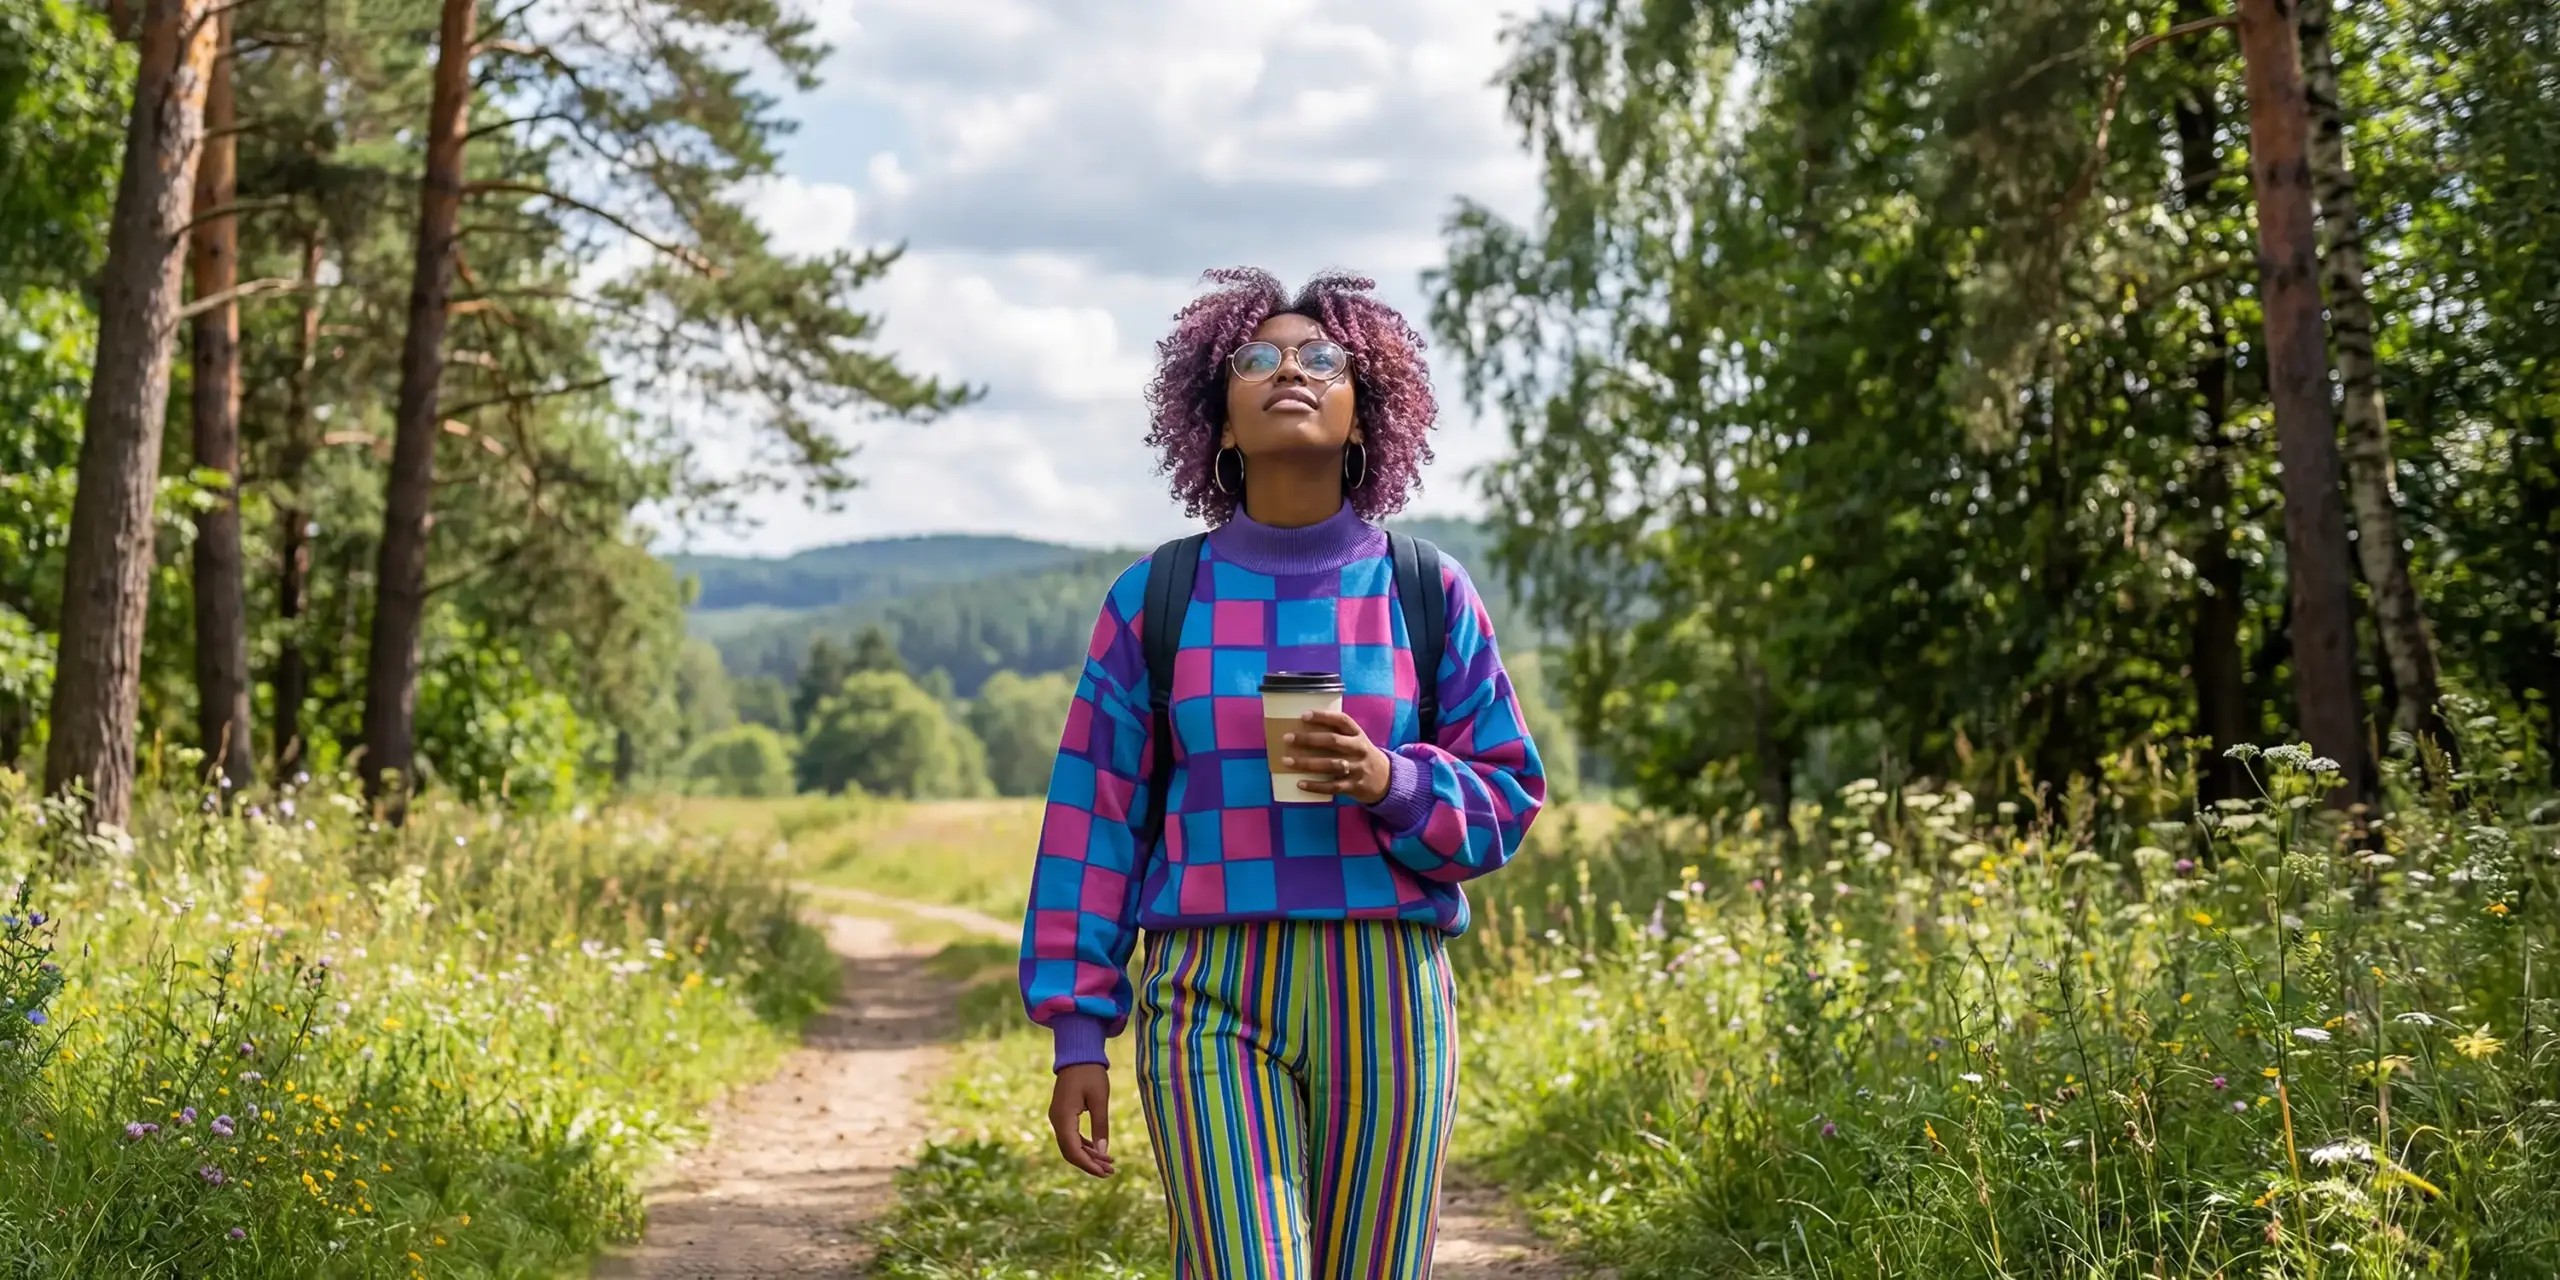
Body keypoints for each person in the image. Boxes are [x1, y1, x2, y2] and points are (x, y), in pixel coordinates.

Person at [1015, 267, 1546, 1277]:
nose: (1289, 368)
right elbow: (1094, 817)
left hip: (1388, 991)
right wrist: (1078, 1027)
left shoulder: (1425, 588)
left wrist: (1390, 777)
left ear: (1362, 416)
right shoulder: (1156, 596)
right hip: (1209, 990)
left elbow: (1506, 796)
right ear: (1217, 425)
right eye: (1256, 357)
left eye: (1320, 357)